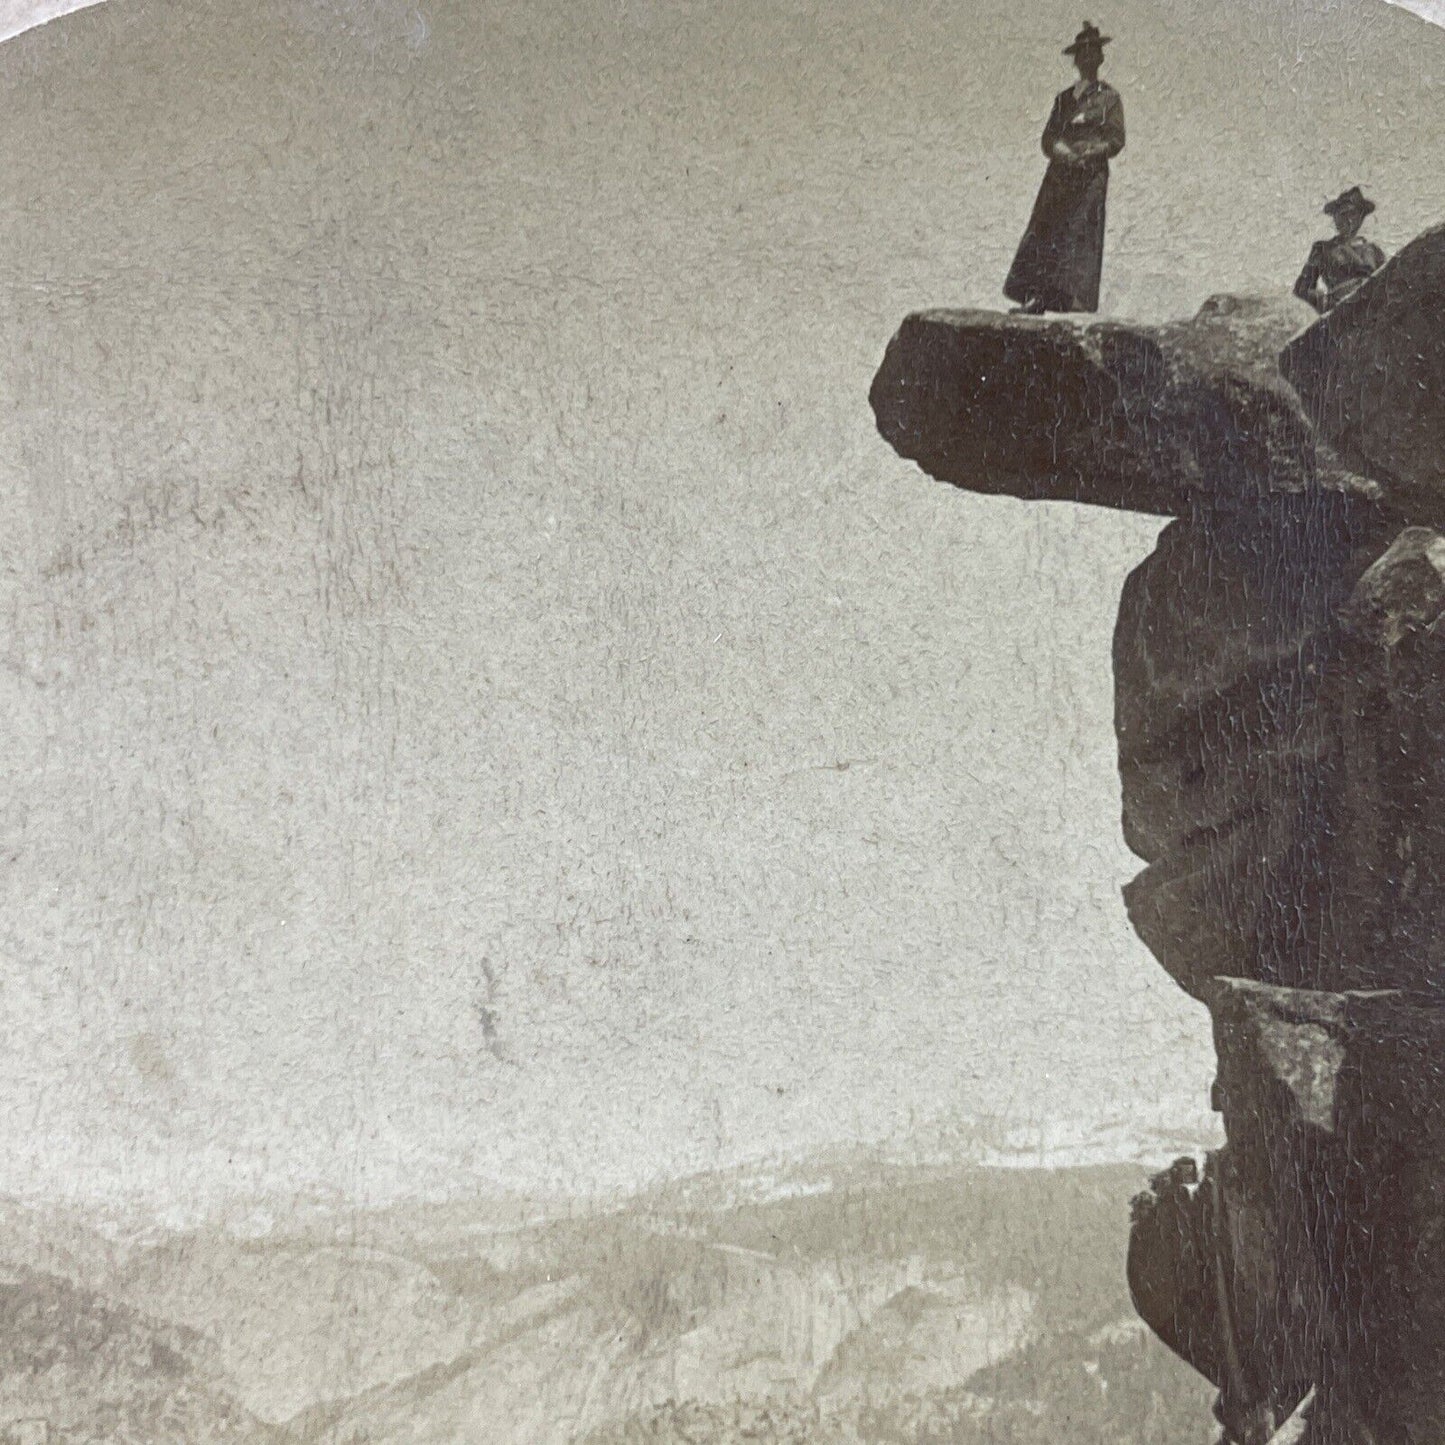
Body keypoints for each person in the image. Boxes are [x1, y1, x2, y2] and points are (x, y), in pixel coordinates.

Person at [1004, 21, 1125, 315]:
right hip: (1060, 175)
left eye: (1093, 52)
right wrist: (1063, 152)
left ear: (1100, 58)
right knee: (1047, 232)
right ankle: (1036, 298)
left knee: (1081, 236)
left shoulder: (1109, 98)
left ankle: (1077, 304)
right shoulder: (1063, 100)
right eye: (1082, 53)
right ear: (1075, 60)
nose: (1087, 59)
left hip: (1089, 178)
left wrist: (1090, 153)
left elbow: (1116, 139)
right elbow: (1048, 138)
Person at [1293, 187, 1386, 315]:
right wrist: (1324, 301)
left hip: (1372, 314)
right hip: (1340, 314)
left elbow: (1385, 284)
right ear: (1335, 218)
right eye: (1342, 214)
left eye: (1352, 214)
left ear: (1361, 218)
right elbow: (1301, 289)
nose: (1347, 219)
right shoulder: (1322, 249)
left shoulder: (1374, 251)